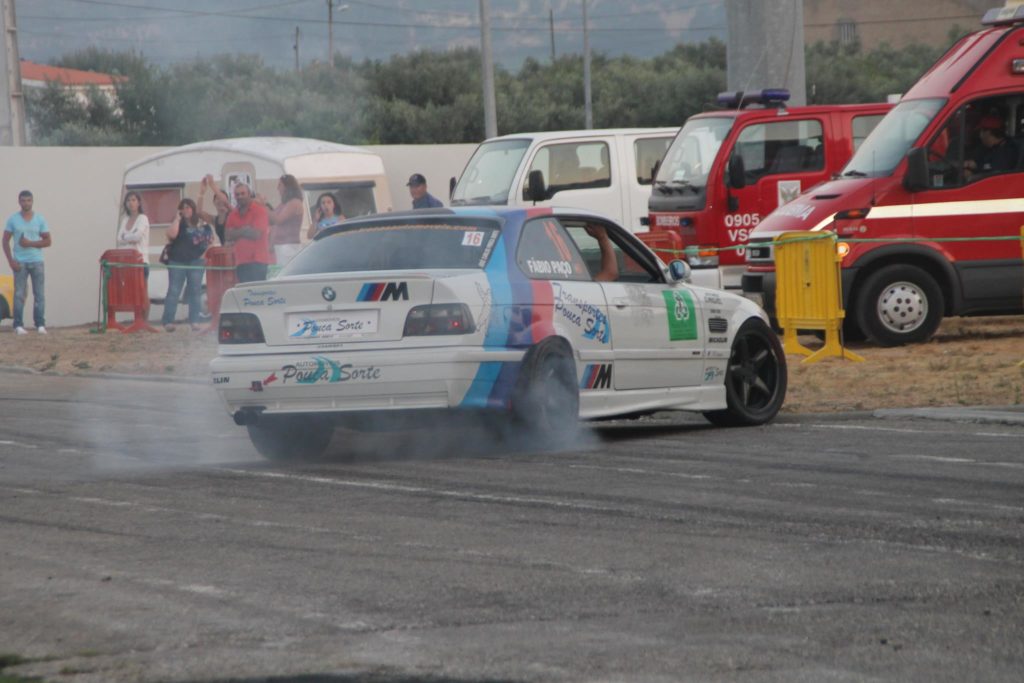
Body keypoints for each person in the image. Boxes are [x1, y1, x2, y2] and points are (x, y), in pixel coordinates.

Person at [161, 198, 214, 332]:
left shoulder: (202, 223)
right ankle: (168, 321)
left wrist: (205, 255)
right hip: (177, 260)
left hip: (196, 261)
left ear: (193, 209)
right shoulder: (179, 223)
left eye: (189, 207)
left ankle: (195, 321)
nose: (186, 210)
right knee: (174, 290)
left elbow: (210, 240)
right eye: (183, 208)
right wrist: (177, 219)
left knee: (195, 291)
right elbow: (171, 235)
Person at [3, 190, 52, 335]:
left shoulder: (40, 219)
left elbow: (48, 241)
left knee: (39, 294)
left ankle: (40, 324)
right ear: (19, 202)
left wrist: (30, 243)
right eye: (23, 200)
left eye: (28, 200)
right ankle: (18, 325)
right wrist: (11, 261)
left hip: (37, 261)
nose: (26, 203)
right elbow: (5, 240)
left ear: (32, 201)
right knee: (19, 294)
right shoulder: (13, 220)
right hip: (20, 262)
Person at [224, 182, 272, 283]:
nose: (240, 196)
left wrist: (236, 232)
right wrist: (245, 230)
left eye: (243, 193)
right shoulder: (233, 214)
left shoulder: (259, 211)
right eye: (237, 194)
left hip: (258, 260)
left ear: (249, 194)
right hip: (241, 261)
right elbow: (227, 235)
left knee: (258, 293)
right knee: (244, 294)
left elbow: (256, 234)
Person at [116, 190, 152, 320]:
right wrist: (128, 236)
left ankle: (144, 320)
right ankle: (137, 319)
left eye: (133, 200)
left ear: (139, 202)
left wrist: (127, 236)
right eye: (128, 200)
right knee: (133, 292)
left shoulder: (143, 218)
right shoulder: (125, 219)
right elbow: (119, 238)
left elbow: (137, 237)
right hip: (127, 261)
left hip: (140, 261)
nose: (131, 203)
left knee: (143, 292)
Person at [265, 174, 305, 265]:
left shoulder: (294, 203)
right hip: (279, 248)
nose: (277, 188)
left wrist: (263, 206)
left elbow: (278, 220)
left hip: (288, 247)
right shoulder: (284, 204)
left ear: (287, 187)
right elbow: (273, 223)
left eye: (280, 185)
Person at [197, 174, 230, 246]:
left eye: (221, 198)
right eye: (217, 198)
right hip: (226, 252)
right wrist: (201, 193)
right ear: (214, 202)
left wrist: (212, 184)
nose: (220, 201)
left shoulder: (233, 214)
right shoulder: (215, 220)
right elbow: (199, 212)